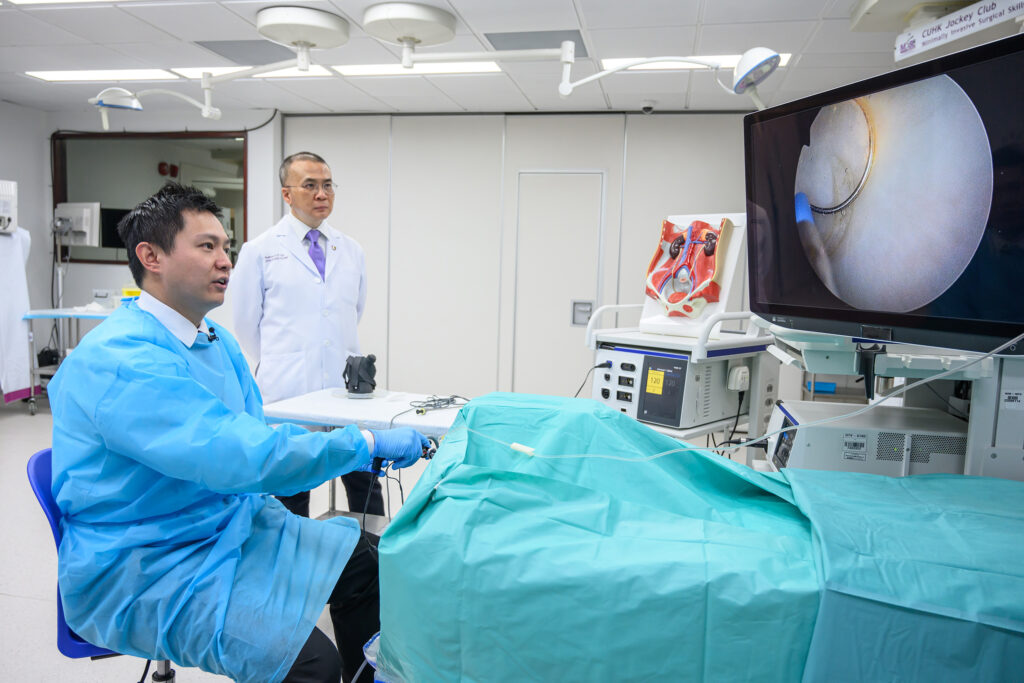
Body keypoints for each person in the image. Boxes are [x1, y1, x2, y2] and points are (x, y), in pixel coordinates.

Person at [48, 183, 428, 683]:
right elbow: (240, 455)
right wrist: (365, 444)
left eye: (225, 246)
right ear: (151, 256)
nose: (226, 261)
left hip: (232, 529)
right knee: (311, 664)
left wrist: (347, 445)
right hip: (148, 562)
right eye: (207, 247)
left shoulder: (213, 338)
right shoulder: (120, 361)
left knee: (367, 565)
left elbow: (249, 432)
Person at [232, 151, 384, 518]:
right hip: (287, 390)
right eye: (310, 186)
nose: (322, 194)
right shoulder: (260, 251)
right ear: (287, 194)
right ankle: (293, 565)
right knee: (291, 486)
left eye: (328, 185)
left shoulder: (351, 250)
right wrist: (286, 360)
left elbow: (353, 312)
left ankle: (374, 557)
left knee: (364, 480)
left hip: (346, 389)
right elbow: (245, 324)